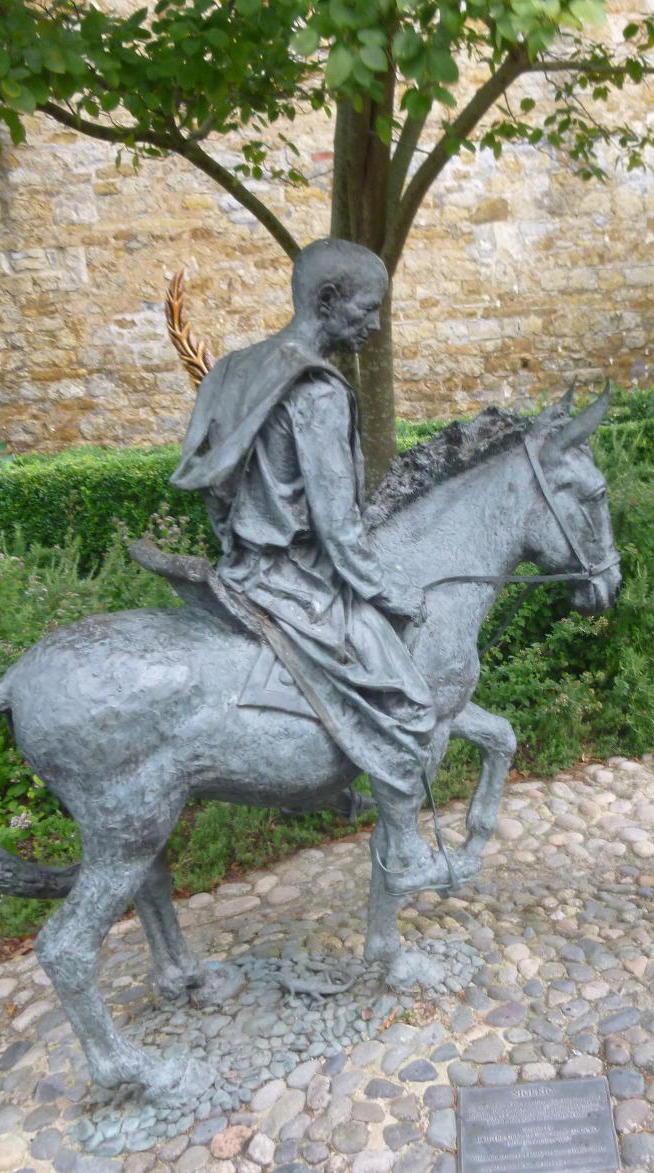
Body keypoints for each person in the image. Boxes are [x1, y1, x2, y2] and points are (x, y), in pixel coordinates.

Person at [171, 238, 447, 892]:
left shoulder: (233, 369)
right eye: (368, 309)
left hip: (239, 569)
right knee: (408, 700)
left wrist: (239, 544)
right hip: (293, 580)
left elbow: (213, 485)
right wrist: (390, 595)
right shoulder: (317, 390)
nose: (375, 326)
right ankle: (401, 847)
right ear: (328, 301)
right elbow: (339, 527)